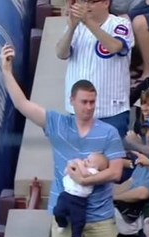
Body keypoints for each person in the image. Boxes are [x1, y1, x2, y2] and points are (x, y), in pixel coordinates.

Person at [2, 44, 125, 237]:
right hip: (65, 218)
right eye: (84, 102)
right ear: (72, 101)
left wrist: (85, 180)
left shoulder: (108, 132)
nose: (89, 107)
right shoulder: (57, 123)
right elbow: (22, 104)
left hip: (100, 218)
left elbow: (116, 172)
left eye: (92, 102)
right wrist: (6, 71)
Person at [56, 0, 134, 137]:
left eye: (91, 2)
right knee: (78, 158)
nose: (86, 6)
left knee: (111, 157)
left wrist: (87, 22)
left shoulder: (120, 23)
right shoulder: (77, 26)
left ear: (105, 3)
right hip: (77, 111)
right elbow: (61, 53)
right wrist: (71, 28)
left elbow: (114, 47)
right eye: (84, 2)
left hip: (111, 110)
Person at [54, 153, 109, 237]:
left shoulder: (94, 172)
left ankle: (76, 236)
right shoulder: (82, 167)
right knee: (58, 211)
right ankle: (62, 223)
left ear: (95, 167)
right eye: (86, 159)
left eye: (88, 161)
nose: (84, 160)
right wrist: (71, 166)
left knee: (78, 218)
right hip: (66, 194)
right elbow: (68, 171)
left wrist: (79, 163)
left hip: (79, 199)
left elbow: (84, 174)